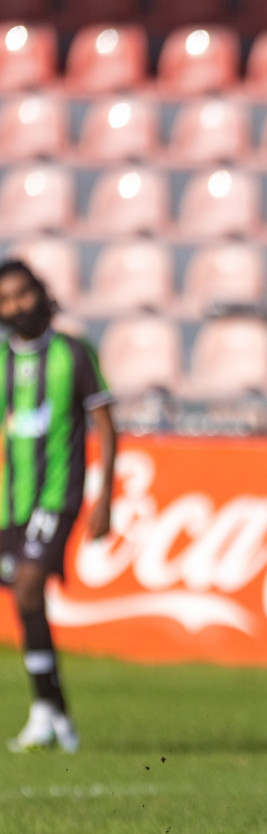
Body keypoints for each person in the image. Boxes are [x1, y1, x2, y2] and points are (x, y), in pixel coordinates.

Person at [0, 260, 116, 754]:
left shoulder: (74, 353)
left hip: (57, 495)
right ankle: (53, 712)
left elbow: (106, 425)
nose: (15, 306)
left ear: (41, 294)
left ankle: (49, 712)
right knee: (26, 603)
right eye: (5, 299)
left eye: (22, 295)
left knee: (29, 587)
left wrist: (104, 495)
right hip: (11, 503)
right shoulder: (2, 359)